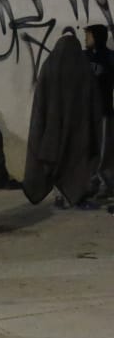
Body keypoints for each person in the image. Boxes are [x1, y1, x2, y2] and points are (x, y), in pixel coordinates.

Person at [24, 31, 99, 208]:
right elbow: (93, 99)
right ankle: (73, 196)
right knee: (74, 157)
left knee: (54, 158)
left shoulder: (49, 66)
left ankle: (60, 196)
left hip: (52, 126)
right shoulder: (82, 67)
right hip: (78, 127)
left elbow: (40, 99)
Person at [84, 24, 114, 198]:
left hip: (104, 111)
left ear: (98, 37)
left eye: (89, 36)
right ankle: (91, 183)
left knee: (104, 152)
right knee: (90, 150)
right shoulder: (83, 56)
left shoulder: (109, 57)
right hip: (87, 113)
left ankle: (106, 185)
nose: (86, 39)